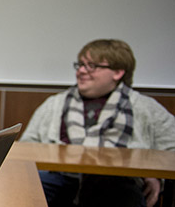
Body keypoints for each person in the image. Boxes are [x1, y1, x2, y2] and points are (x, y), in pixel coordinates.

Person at [20, 39, 175, 207]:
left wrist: (154, 175)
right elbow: (26, 147)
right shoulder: (54, 104)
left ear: (118, 72)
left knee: (122, 192)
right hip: (61, 179)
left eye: (91, 66)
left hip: (117, 182)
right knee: (24, 186)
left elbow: (171, 150)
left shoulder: (146, 108)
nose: (81, 71)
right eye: (80, 65)